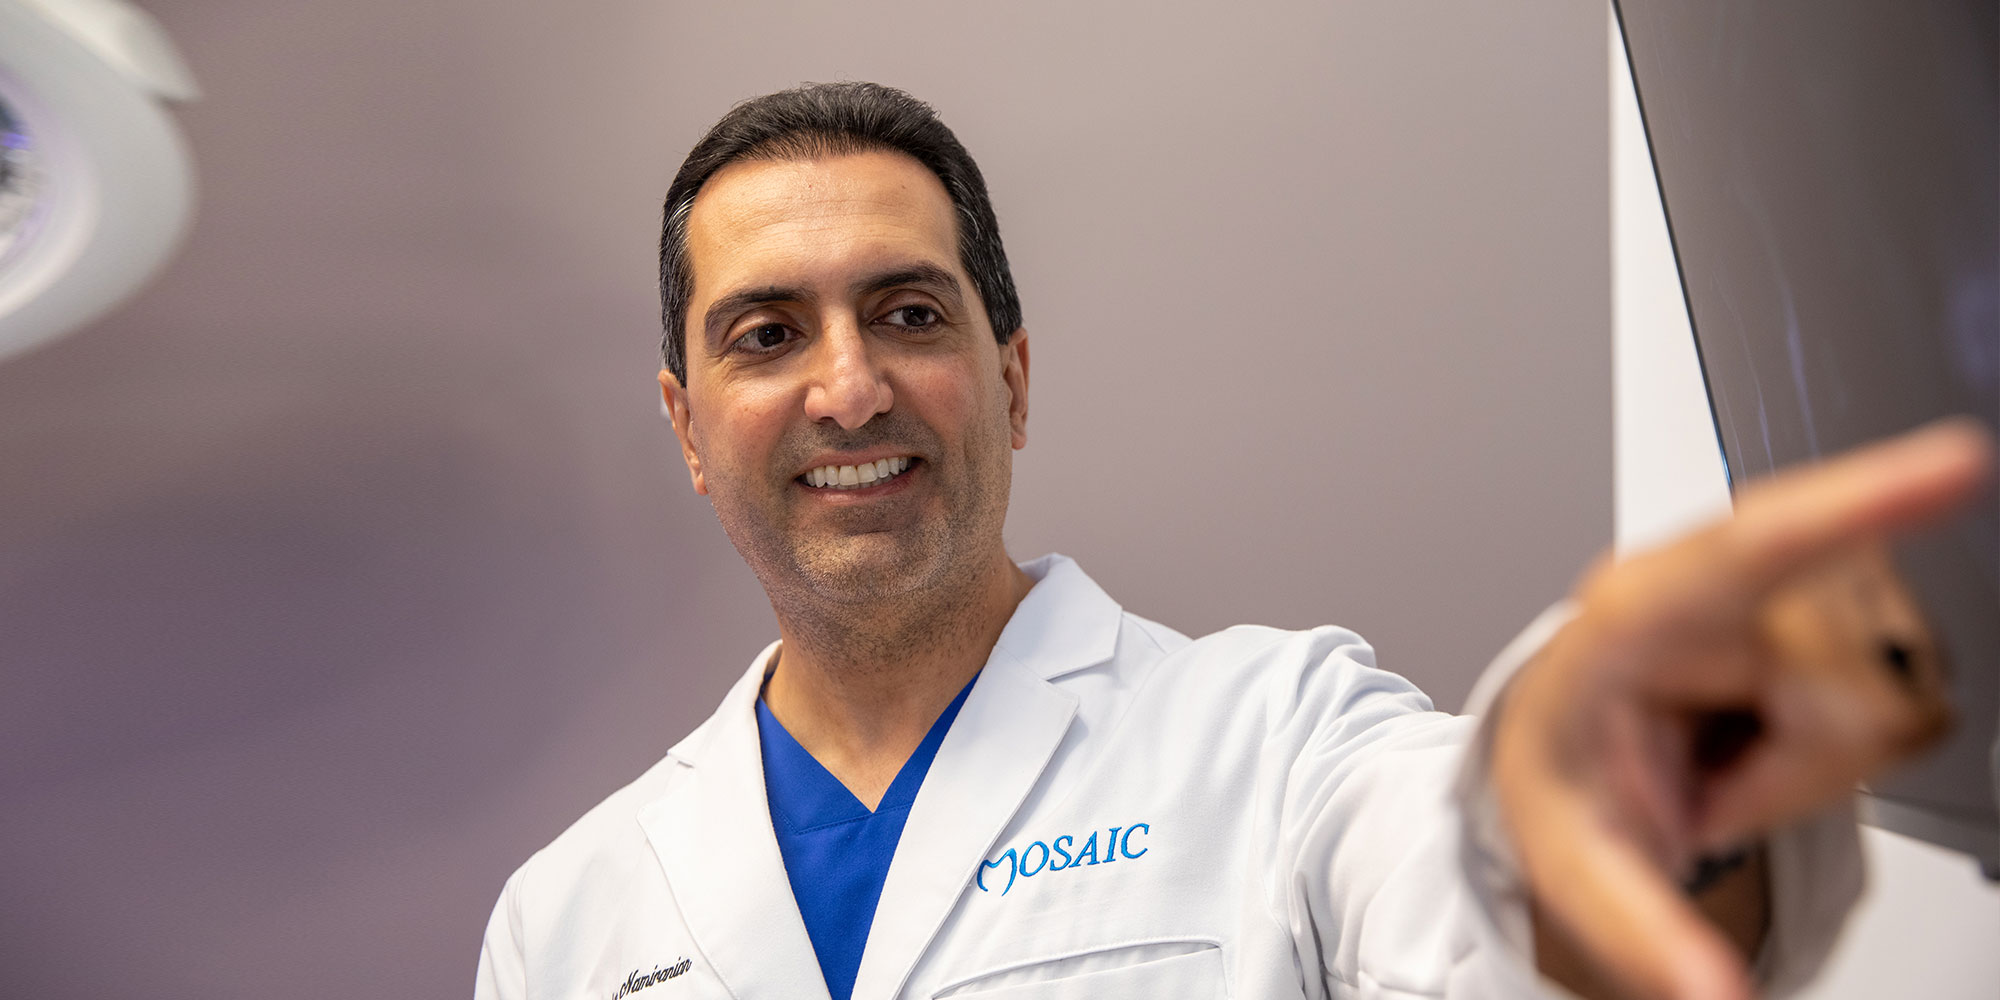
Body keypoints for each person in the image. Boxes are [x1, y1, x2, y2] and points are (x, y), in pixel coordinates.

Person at [473, 82, 1992, 1000]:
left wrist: (1622, 796)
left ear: (1010, 375)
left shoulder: (1278, 744)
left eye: (910, 312)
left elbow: (1465, 893)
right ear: (686, 425)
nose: (850, 384)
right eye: (766, 334)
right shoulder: (573, 915)